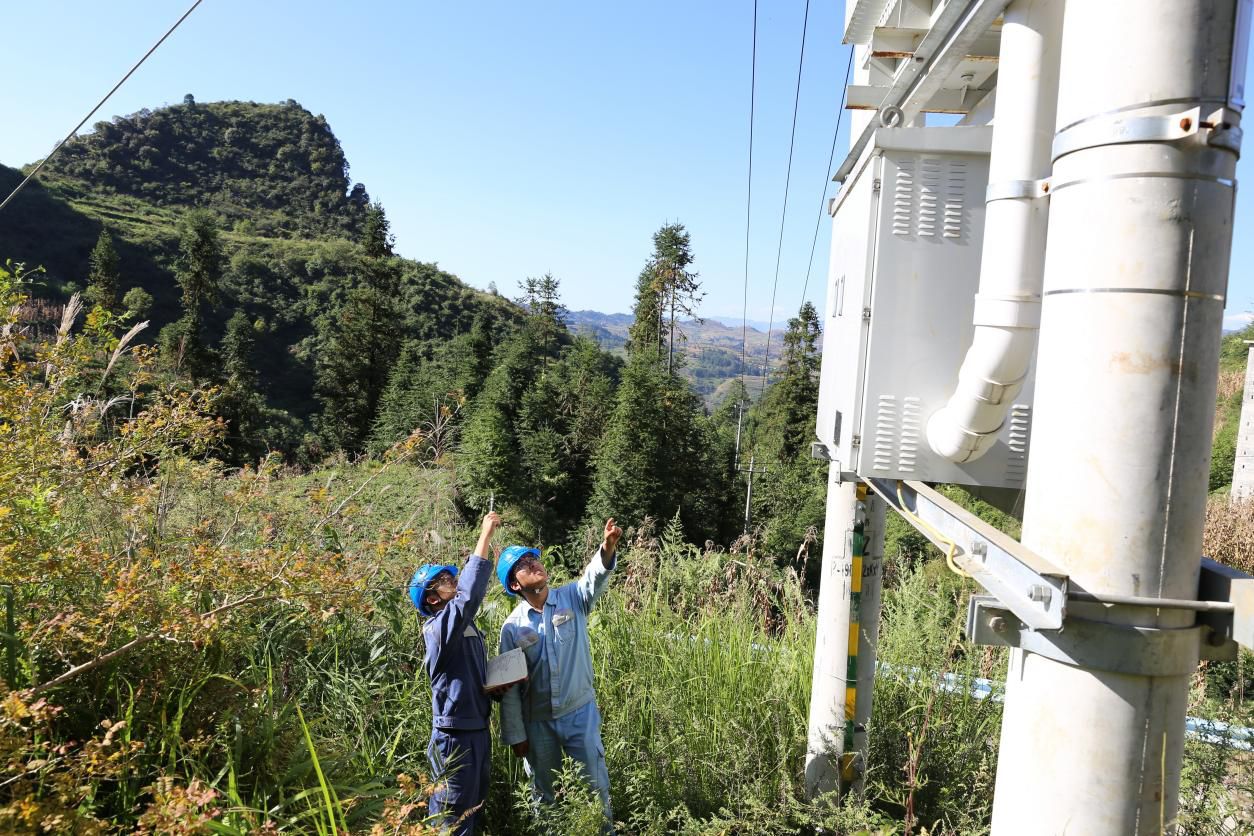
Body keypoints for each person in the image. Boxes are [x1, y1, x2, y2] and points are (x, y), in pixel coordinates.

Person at [497, 517, 623, 820]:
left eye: (534, 559)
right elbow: (509, 689)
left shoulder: (572, 597)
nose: (534, 564)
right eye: (524, 564)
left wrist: (607, 547)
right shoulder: (511, 628)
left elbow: (594, 578)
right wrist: (516, 735)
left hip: (580, 712)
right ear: (515, 584)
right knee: (545, 796)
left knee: (596, 788)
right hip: (538, 724)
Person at [408, 511, 509, 835]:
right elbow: (468, 597)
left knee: (473, 812)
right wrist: (484, 537)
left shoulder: (464, 628)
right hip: (453, 738)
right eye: (445, 580)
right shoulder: (437, 627)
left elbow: (465, 675)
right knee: (451, 819)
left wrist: (490, 687)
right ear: (433, 598)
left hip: (477, 730)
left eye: (451, 577)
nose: (452, 580)